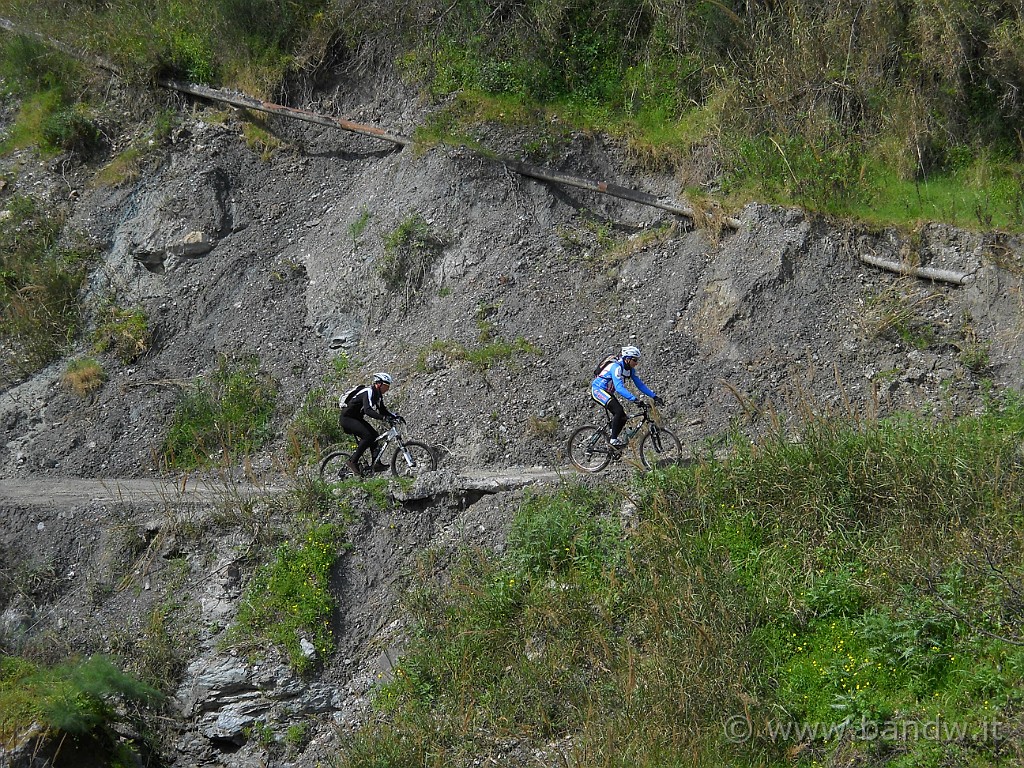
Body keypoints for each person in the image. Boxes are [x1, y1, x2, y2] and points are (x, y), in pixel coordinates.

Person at [591, 345, 663, 446]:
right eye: (634, 360)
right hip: (598, 390)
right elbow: (619, 388)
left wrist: (654, 396)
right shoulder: (616, 367)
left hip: (607, 392)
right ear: (627, 359)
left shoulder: (630, 370)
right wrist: (634, 400)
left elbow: (640, 385)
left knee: (623, 417)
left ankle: (613, 440)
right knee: (619, 411)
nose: (636, 363)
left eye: (637, 360)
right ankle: (613, 440)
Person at [340, 372, 403, 475]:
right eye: (386, 386)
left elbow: (382, 410)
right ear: (378, 384)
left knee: (374, 436)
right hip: (347, 419)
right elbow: (368, 410)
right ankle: (352, 462)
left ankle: (376, 463)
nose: (387, 389)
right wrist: (383, 418)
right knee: (368, 436)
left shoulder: (378, 395)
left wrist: (395, 416)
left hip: (356, 418)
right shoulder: (368, 391)